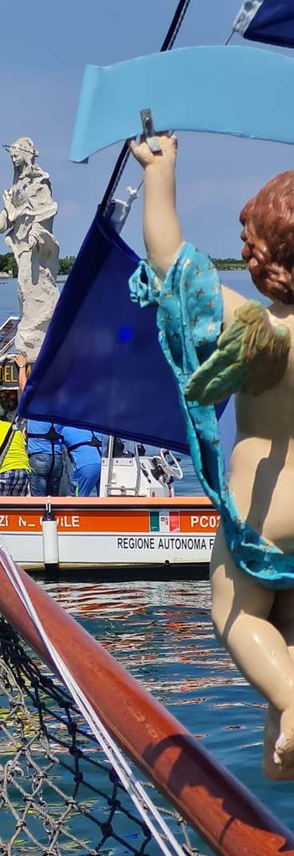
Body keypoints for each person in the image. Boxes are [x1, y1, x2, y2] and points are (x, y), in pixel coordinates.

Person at [130, 131, 294, 779]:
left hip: (267, 512)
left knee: (237, 612)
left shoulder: (259, 335)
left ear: (259, 257)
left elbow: (171, 262)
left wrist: (159, 171)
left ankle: (290, 702)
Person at [0, 138, 60, 359]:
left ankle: (37, 332)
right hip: (22, 243)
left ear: (26, 153)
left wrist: (36, 235)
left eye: (16, 154)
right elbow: (9, 213)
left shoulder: (39, 182)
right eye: (11, 156)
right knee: (24, 290)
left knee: (32, 286)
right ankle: (30, 333)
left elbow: (45, 210)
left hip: (35, 244)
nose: (13, 158)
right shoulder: (17, 184)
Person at [14, 354, 64, 496]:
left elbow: (24, 388)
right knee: (53, 497)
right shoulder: (61, 407)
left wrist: (22, 367)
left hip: (39, 455)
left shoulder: (38, 404)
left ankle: (40, 517)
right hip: (57, 457)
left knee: (38, 497)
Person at [60, 426, 103, 496]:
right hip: (104, 466)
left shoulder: (66, 430)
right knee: (103, 497)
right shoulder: (97, 429)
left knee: (78, 498)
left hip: (86, 466)